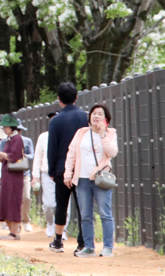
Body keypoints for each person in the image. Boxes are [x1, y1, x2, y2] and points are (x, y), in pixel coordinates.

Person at [64, 104, 118, 257]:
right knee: (85, 214)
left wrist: (102, 135)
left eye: (100, 114)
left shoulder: (110, 133)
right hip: (82, 179)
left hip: (101, 179)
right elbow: (71, 154)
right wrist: (68, 173)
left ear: (105, 118)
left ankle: (108, 247)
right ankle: (88, 246)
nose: (96, 116)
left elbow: (112, 152)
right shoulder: (81, 133)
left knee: (105, 213)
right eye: (94, 113)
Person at [47, 82, 88, 254]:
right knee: (82, 205)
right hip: (82, 168)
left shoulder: (56, 120)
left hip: (61, 168)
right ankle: (82, 241)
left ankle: (58, 240)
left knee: (62, 204)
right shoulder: (85, 117)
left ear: (59, 99)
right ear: (76, 97)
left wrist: (51, 170)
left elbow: (52, 148)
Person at [0, 114, 25, 240]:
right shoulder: (10, 139)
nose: (3, 129)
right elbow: (8, 156)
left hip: (14, 177)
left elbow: (13, 157)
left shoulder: (17, 139)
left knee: (13, 201)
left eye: (5, 127)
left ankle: (14, 233)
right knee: (6, 201)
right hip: (7, 174)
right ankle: (12, 231)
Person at [1, 125, 34, 232]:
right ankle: (17, 223)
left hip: (24, 172)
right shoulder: (5, 141)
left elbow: (31, 155)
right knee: (14, 199)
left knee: (26, 197)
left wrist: (22, 155)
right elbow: (4, 156)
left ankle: (25, 220)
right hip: (12, 172)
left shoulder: (27, 140)